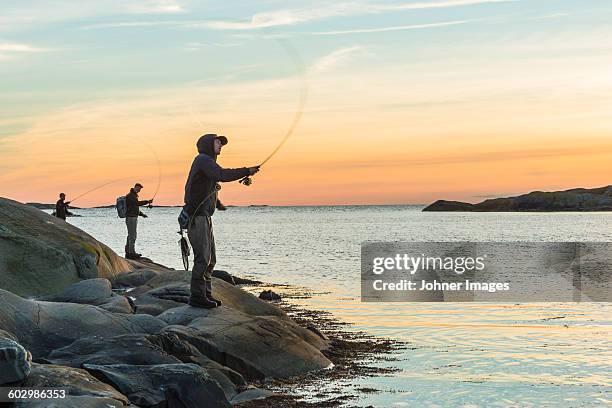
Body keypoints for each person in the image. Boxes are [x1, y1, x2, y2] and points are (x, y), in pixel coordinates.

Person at [183, 134, 259, 308]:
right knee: (203, 258)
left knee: (211, 259)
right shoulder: (202, 160)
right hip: (197, 217)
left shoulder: (208, 163)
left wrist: (218, 204)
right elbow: (222, 174)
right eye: (218, 142)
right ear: (208, 144)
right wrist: (246, 171)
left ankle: (206, 294)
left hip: (205, 217)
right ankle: (197, 297)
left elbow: (206, 188)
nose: (221, 146)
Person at [125, 183, 153, 260]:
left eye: (140, 189)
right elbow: (136, 204)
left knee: (130, 235)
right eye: (138, 188)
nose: (139, 190)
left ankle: (128, 252)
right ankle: (131, 253)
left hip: (132, 217)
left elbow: (134, 207)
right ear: (135, 187)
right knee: (133, 235)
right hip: (131, 218)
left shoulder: (133, 195)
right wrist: (147, 201)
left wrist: (142, 214)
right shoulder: (131, 195)